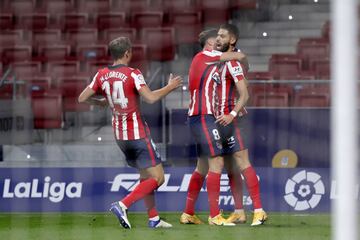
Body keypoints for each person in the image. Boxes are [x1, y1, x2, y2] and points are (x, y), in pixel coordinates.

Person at [78, 37, 182, 229]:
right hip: (137, 134)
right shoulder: (133, 73)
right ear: (127, 53)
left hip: (120, 137)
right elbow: (150, 98)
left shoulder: (101, 74)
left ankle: (154, 219)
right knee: (158, 178)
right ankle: (123, 204)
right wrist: (170, 87)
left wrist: (102, 103)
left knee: (145, 177)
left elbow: (82, 98)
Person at [180, 29, 248, 226]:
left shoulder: (202, 62)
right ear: (208, 45)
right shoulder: (207, 56)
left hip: (197, 116)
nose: (218, 43)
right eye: (215, 41)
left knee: (201, 167)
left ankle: (188, 213)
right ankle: (215, 215)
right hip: (204, 117)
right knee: (217, 162)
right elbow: (240, 55)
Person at [214, 23, 268, 226]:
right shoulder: (222, 61)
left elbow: (245, 94)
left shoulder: (233, 63)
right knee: (230, 168)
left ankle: (259, 211)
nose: (217, 39)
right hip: (221, 120)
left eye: (222, 36)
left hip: (234, 119)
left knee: (243, 163)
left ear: (232, 40)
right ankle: (239, 211)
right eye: (217, 35)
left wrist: (232, 114)